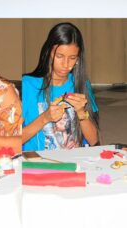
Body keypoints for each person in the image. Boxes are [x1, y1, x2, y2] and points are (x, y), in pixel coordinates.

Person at [22, 22, 99, 151]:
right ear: (48, 53)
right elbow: (13, 140)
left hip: (75, 159)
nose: (66, 64)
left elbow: (94, 141)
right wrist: (45, 118)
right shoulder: (28, 85)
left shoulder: (82, 83)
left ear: (78, 59)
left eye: (72, 58)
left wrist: (81, 112)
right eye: (59, 56)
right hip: (38, 159)